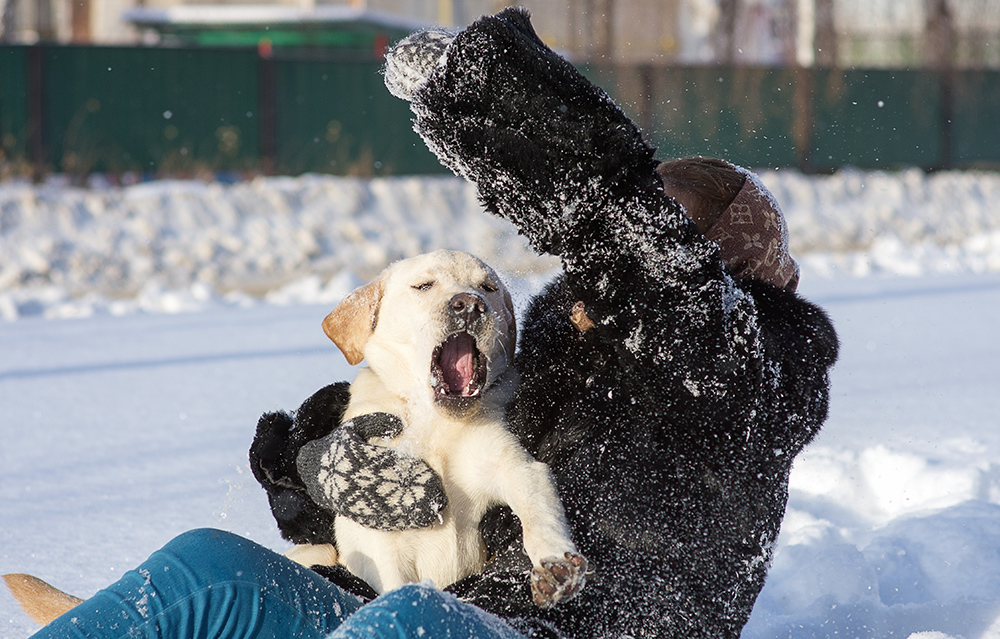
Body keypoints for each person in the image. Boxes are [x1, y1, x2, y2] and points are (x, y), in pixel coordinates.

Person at [22, 7, 837, 639]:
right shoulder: (562, 346)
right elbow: (434, 465)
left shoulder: (749, 371)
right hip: (448, 611)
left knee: (398, 623)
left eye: (631, 250)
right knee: (205, 567)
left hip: (565, 630)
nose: (595, 277)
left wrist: (510, 108)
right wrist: (317, 473)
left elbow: (656, 268)